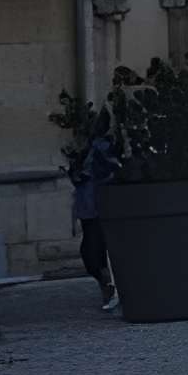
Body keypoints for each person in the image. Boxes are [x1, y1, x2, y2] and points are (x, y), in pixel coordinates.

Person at [69, 112, 119, 312]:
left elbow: (108, 170)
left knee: (94, 250)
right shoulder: (88, 147)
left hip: (98, 206)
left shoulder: (103, 147)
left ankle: (109, 286)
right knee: (91, 253)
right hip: (88, 207)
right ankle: (105, 284)